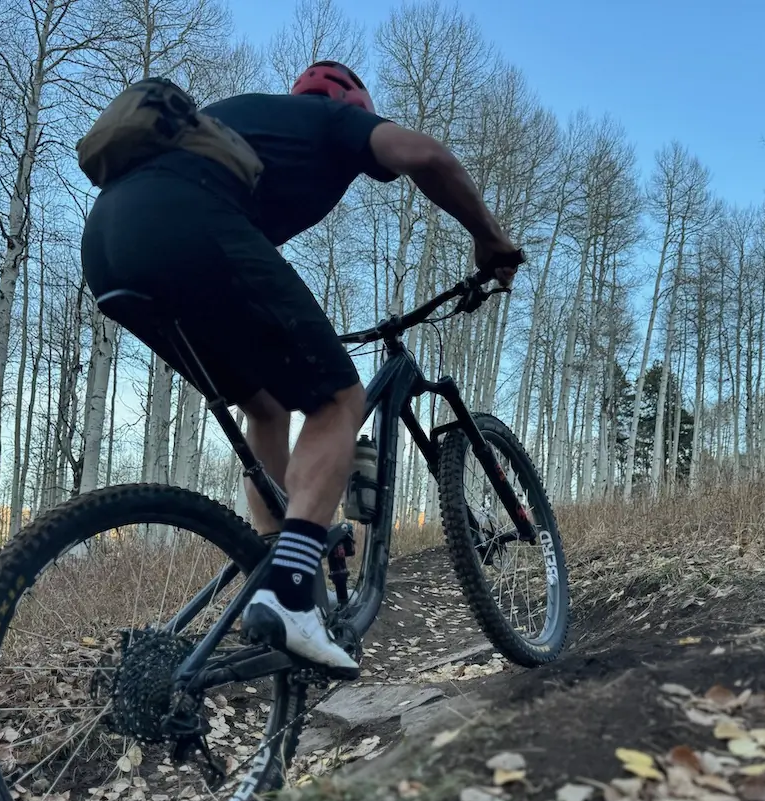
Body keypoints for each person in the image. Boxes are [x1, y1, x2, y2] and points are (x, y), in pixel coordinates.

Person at [80, 61, 522, 681]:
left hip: (107, 246)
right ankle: (290, 592)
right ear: (354, 101)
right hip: (191, 224)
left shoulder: (237, 120)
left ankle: (273, 565)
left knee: (266, 406)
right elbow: (428, 156)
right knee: (338, 400)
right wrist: (490, 239)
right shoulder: (331, 119)